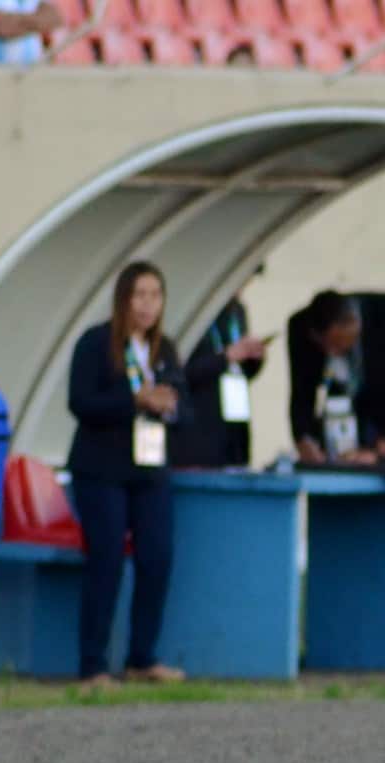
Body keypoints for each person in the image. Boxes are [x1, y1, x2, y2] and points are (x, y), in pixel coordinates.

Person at [65, 261, 187, 687]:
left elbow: (183, 406)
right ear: (122, 298)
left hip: (150, 470)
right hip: (102, 469)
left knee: (157, 558)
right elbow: (80, 402)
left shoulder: (165, 349)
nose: (148, 304)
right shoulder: (96, 343)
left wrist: (170, 406)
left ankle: (142, 658)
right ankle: (93, 664)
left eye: (155, 295)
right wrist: (136, 399)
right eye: (139, 295)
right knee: (107, 560)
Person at [285, 290, 385, 465]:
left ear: (354, 324)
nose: (331, 353)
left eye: (338, 346)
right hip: (350, 422)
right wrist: (305, 440)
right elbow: (301, 392)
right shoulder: (299, 327)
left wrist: (381, 449)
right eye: (323, 346)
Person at [175, 293, 266, 470]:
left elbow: (240, 371)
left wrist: (254, 358)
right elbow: (182, 375)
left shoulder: (237, 310)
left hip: (235, 425)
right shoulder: (195, 310)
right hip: (201, 431)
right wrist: (226, 357)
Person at [0, 0, 58, 65]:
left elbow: (54, 18)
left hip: (29, 73)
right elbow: (1, 27)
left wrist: (14, 22)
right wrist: (38, 20)